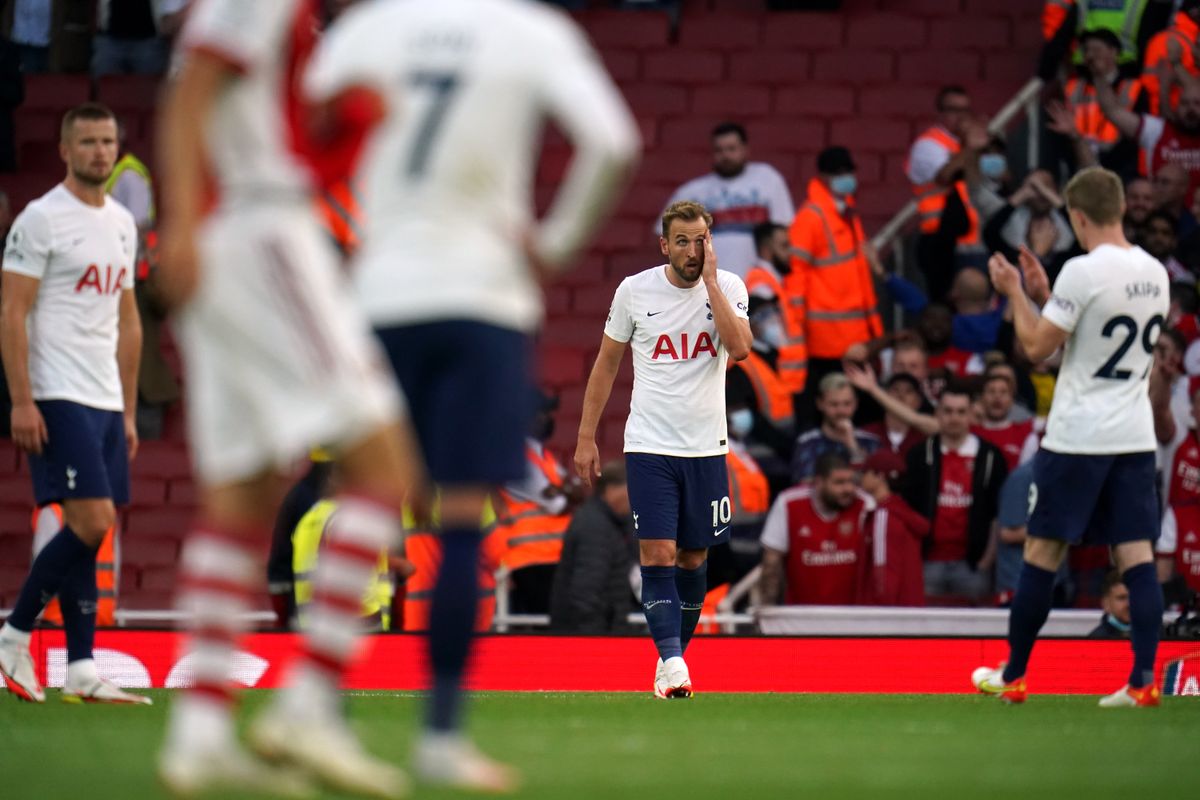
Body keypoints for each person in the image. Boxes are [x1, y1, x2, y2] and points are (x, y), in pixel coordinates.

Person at [305, 0, 639, 786]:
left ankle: (314, 706)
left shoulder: (364, 30)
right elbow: (615, 143)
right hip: (483, 296)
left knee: (364, 502)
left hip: (382, 294)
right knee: (460, 520)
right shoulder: (529, 31)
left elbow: (297, 137)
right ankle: (441, 734)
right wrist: (553, 244)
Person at [155, 2, 431, 796]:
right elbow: (191, 89)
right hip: (260, 231)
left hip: (235, 233)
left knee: (239, 501)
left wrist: (339, 126)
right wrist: (181, 220)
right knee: (384, 467)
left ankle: (200, 735)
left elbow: (241, 108)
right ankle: (308, 706)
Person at [973, 166, 1170, 707]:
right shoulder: (1156, 272)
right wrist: (1046, 293)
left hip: (1079, 436)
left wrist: (1016, 292)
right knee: (1137, 556)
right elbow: (1088, 337)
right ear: (1123, 207)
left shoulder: (1083, 270)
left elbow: (1037, 348)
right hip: (1133, 437)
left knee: (1042, 551)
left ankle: (1013, 675)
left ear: (1077, 217)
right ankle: (1144, 680)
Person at [575, 200, 752, 700]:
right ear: (664, 245)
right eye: (682, 241)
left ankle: (671, 657)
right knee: (659, 552)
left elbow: (739, 349)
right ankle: (674, 662)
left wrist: (713, 283)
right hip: (650, 445)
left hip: (706, 447)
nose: (692, 251)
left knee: (695, 559)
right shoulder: (634, 291)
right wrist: (586, 437)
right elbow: (606, 365)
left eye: (700, 240)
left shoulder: (731, 287)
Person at [0, 103, 146, 706]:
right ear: (64, 149)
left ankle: (82, 667)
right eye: (87, 141)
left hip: (105, 400)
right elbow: (11, 312)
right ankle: (12, 634)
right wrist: (21, 400)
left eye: (108, 141)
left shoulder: (121, 221)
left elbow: (129, 321)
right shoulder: (41, 219)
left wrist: (130, 411)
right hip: (56, 392)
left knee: (89, 530)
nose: (100, 152)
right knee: (92, 520)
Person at [788, 145, 882, 409]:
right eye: (838, 173)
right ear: (823, 177)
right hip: (827, 341)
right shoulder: (812, 217)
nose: (846, 178)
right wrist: (796, 328)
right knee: (838, 406)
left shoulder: (846, 212)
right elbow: (796, 276)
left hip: (854, 335)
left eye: (848, 171)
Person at [903, 385, 1007, 605]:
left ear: (972, 413)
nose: (954, 418)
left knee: (976, 633)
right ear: (937, 413)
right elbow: (907, 511)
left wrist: (986, 561)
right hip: (927, 562)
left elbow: (998, 514)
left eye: (961, 412)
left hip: (972, 564)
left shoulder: (991, 456)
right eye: (948, 411)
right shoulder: (919, 454)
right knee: (926, 630)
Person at [658, 122, 794, 279]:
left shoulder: (768, 179)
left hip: (760, 284)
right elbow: (665, 237)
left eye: (731, 149)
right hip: (708, 284)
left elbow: (784, 232)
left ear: (745, 149)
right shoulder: (692, 192)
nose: (725, 156)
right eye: (719, 150)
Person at [759, 452, 874, 606]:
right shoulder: (789, 503)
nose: (848, 489)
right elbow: (771, 563)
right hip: (801, 616)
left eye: (851, 481)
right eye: (839, 482)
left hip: (852, 615)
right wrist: (769, 609)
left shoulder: (865, 504)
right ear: (819, 482)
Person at [906, 86, 985, 298]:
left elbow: (999, 177)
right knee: (945, 302)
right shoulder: (929, 144)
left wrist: (983, 147)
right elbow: (945, 176)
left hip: (971, 240)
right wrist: (971, 148)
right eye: (953, 110)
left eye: (965, 110)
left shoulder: (966, 144)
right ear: (940, 113)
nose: (960, 117)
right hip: (939, 238)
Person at [548, 461, 638, 633]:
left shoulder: (612, 523)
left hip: (602, 630)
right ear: (611, 490)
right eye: (632, 490)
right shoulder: (595, 527)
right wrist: (596, 642)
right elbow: (585, 593)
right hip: (589, 637)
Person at [859, 448, 930, 606]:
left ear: (879, 477)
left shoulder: (884, 515)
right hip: (908, 605)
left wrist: (882, 611)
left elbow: (883, 568)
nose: (861, 478)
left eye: (865, 472)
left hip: (890, 612)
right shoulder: (903, 512)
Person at [791, 372, 880, 484]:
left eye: (847, 404)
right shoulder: (807, 442)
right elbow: (805, 485)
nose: (841, 411)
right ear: (820, 404)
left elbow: (872, 485)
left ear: (856, 404)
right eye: (834, 404)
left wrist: (852, 445)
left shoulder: (870, 441)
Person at [972, 372, 1038, 471]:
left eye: (1003, 392)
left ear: (1011, 399)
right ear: (981, 398)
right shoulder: (971, 432)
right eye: (991, 391)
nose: (997, 397)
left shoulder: (1025, 431)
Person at [1088, 571, 1133, 639]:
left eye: (1134, 597)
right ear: (1106, 604)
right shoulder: (1096, 640)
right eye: (1122, 598)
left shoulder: (1151, 636)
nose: (1129, 604)